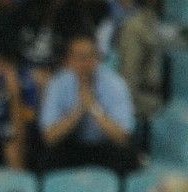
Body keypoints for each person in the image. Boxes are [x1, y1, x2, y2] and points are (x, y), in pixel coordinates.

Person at [39, 35, 137, 172]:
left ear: (97, 59)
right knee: (47, 156)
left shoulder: (115, 84)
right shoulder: (58, 83)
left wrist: (94, 108)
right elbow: (49, 136)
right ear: (69, 60)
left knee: (127, 155)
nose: (85, 63)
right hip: (72, 145)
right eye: (79, 58)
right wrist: (78, 111)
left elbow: (123, 136)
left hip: (105, 146)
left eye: (89, 57)